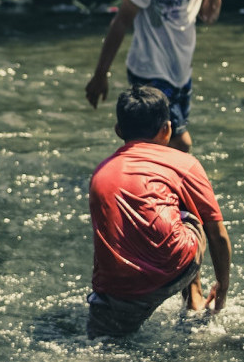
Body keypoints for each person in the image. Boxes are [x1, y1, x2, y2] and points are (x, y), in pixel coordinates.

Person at [87, 85, 232, 339]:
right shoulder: (184, 163)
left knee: (104, 348)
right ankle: (194, 299)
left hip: (117, 288)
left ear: (118, 131)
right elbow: (217, 233)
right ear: (167, 130)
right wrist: (222, 288)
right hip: (174, 267)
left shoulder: (100, 172)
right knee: (188, 210)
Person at [85, 0, 222, 152]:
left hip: (181, 74)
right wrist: (100, 74)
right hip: (150, 71)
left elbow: (209, 16)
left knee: (162, 143)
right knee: (180, 143)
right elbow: (122, 20)